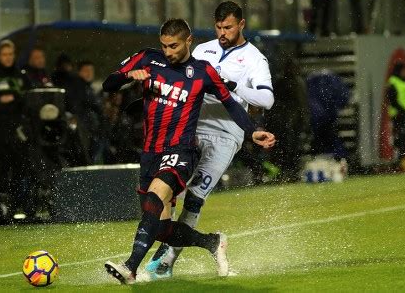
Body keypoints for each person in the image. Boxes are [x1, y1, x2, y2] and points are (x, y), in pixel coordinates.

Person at [102, 18, 275, 284]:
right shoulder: (148, 59)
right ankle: (212, 242)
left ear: (188, 41)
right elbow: (108, 84)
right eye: (164, 46)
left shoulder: (202, 71)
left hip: (181, 151)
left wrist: (251, 131)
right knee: (159, 228)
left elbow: (230, 103)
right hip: (150, 153)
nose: (168, 52)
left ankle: (130, 267)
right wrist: (127, 77)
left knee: (155, 197)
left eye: (174, 46)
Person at [146, 1, 275, 279]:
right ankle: (165, 245)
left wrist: (232, 84)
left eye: (228, 27)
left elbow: (267, 98)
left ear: (241, 25)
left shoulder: (254, 59)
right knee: (169, 189)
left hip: (227, 135)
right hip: (192, 129)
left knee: (195, 195)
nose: (222, 33)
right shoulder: (203, 50)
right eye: (218, 27)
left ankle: (167, 260)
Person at [0, 40, 32, 213]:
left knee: (21, 167)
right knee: (3, 167)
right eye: (4, 54)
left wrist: (10, 99)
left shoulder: (21, 76)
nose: (7, 58)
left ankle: (21, 204)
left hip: (20, 130)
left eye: (10, 54)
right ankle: (2, 206)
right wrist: (11, 100)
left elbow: (28, 100)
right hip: (0, 131)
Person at [387, 62, 405, 160]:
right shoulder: (393, 81)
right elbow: (392, 100)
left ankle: (404, 159)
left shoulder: (404, 81)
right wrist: (402, 110)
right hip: (398, 115)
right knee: (399, 138)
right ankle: (399, 160)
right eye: (404, 70)